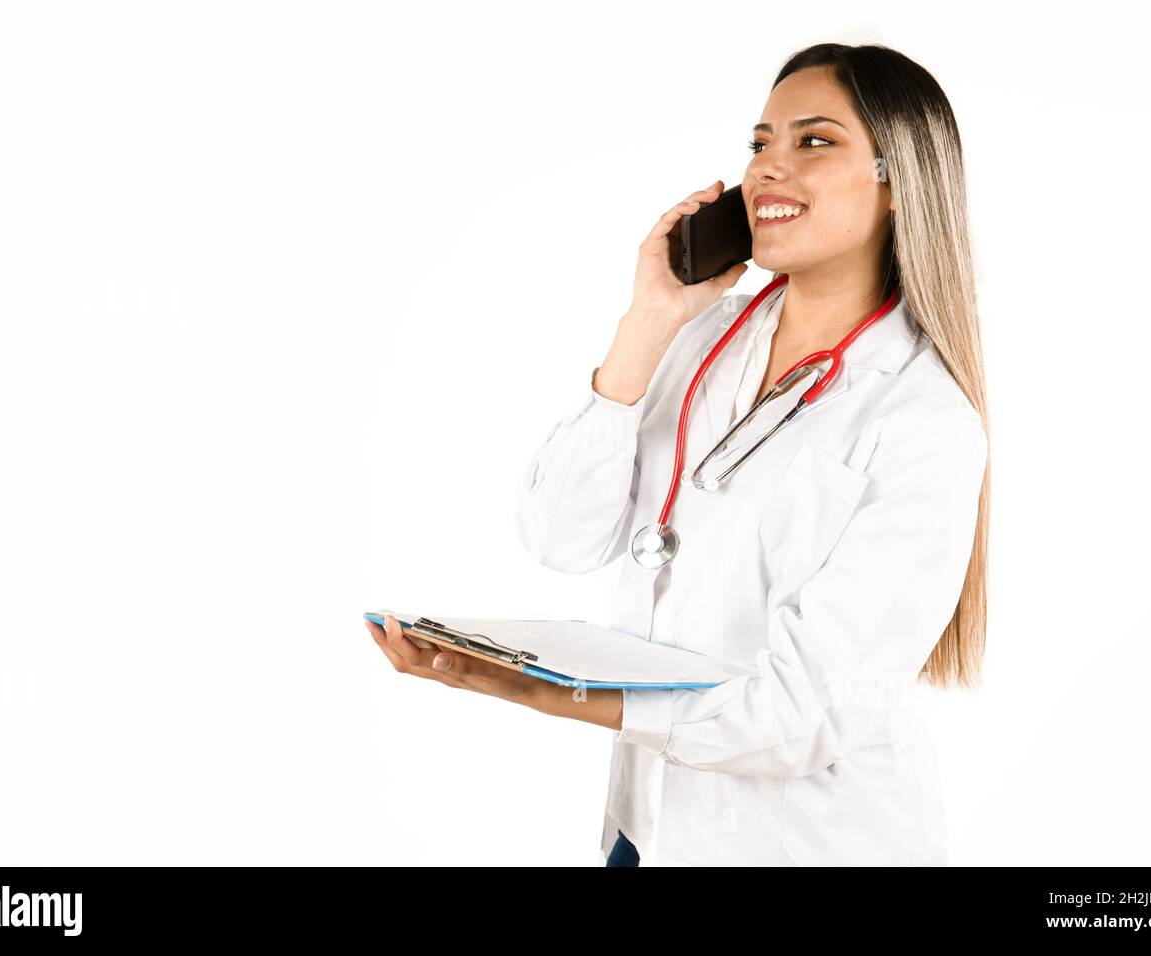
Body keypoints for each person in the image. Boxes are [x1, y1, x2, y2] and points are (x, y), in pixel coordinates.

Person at [368, 41, 990, 866]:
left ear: (897, 177)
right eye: (760, 143)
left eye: (814, 141)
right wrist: (647, 320)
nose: (769, 168)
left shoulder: (922, 418)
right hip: (647, 828)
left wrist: (542, 687)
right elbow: (560, 535)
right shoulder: (701, 338)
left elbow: (803, 712)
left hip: (808, 843)